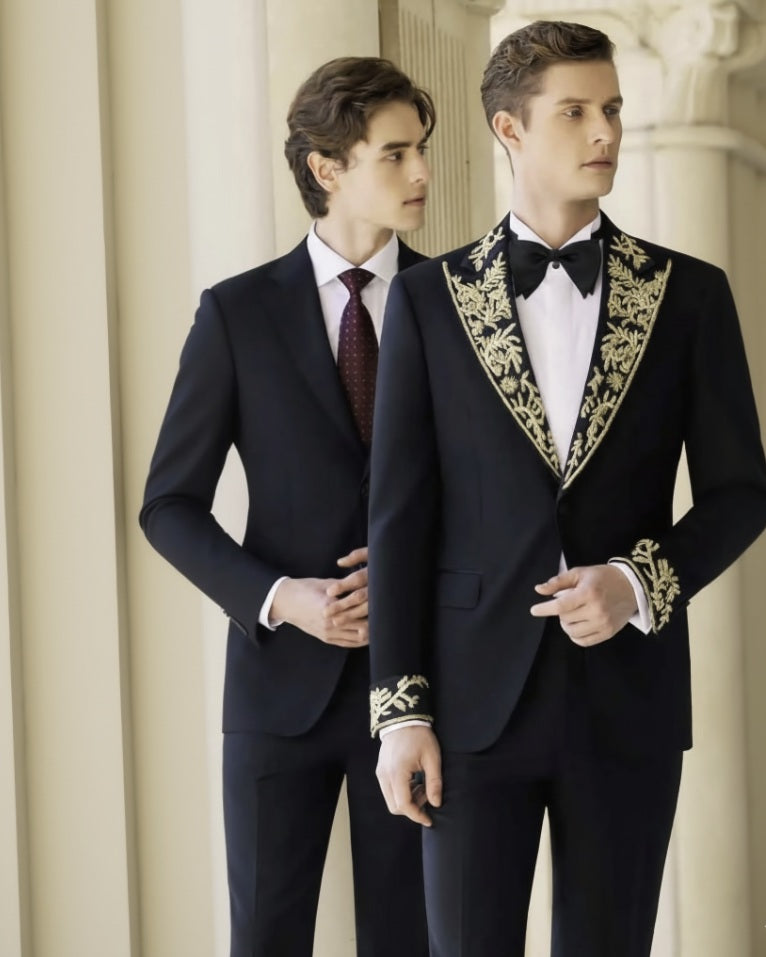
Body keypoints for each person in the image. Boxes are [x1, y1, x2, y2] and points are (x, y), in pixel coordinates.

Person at [368, 20, 766, 957]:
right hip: (467, 706)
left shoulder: (690, 295)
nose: (606, 133)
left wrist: (636, 581)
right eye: (577, 112)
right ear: (510, 131)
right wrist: (401, 711)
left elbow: (741, 492)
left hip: (624, 704)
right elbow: (398, 517)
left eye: (615, 110)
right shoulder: (428, 302)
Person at [140, 56, 433, 957]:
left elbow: (490, 491)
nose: (421, 174)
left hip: (421, 688)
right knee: (265, 937)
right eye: (395, 155)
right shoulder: (236, 315)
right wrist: (282, 597)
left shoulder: (456, 306)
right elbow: (170, 505)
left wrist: (418, 562)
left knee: (413, 941)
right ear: (327, 167)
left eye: (422, 151)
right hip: (276, 695)